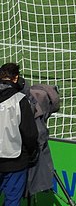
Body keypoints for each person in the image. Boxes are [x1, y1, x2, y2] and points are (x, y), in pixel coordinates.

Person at [0, 62, 39, 206]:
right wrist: (32, 151)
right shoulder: (19, 100)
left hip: (13, 159)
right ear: (15, 78)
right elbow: (30, 133)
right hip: (15, 160)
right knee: (12, 201)